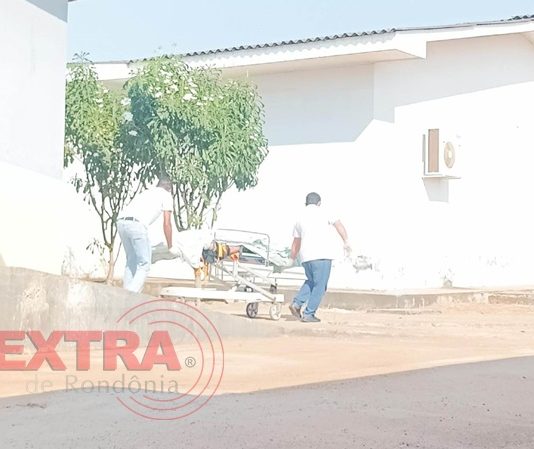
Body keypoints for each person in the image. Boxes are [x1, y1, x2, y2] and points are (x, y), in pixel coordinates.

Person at [288, 192, 351, 322]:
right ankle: (309, 313)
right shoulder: (325, 212)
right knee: (320, 286)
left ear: (306, 203)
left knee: (311, 281)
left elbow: (296, 242)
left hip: (306, 257)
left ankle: (297, 303)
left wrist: (292, 258)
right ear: (319, 203)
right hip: (322, 254)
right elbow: (339, 225)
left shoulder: (299, 217)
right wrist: (346, 241)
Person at [117, 177, 176, 293]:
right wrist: (170, 246)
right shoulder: (166, 195)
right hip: (137, 225)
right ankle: (131, 295)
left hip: (121, 222)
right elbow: (167, 223)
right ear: (169, 189)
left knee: (131, 260)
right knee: (144, 264)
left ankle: (125, 293)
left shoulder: (146, 192)